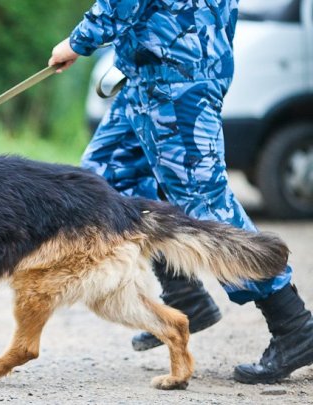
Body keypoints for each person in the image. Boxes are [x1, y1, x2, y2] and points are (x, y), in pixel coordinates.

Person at [48, 0, 313, 384]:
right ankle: (184, 293)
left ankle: (292, 324)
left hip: (177, 77)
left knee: (206, 204)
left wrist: (77, 41)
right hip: (150, 71)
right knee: (106, 180)